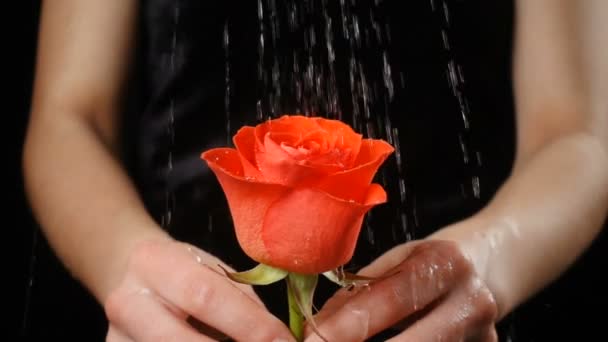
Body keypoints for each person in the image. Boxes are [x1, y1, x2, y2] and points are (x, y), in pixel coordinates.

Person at [23, 0, 607, 341]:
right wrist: (128, 264)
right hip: (180, 317)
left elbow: (578, 136)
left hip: (454, 321)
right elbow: (69, 115)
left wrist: (485, 261)